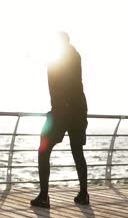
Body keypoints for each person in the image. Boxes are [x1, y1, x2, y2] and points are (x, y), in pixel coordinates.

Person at [30, 32, 89, 208]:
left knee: (43, 150)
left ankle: (44, 196)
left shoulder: (57, 57)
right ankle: (84, 194)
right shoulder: (75, 55)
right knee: (77, 151)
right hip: (79, 110)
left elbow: (57, 85)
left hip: (62, 111)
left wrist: (57, 110)